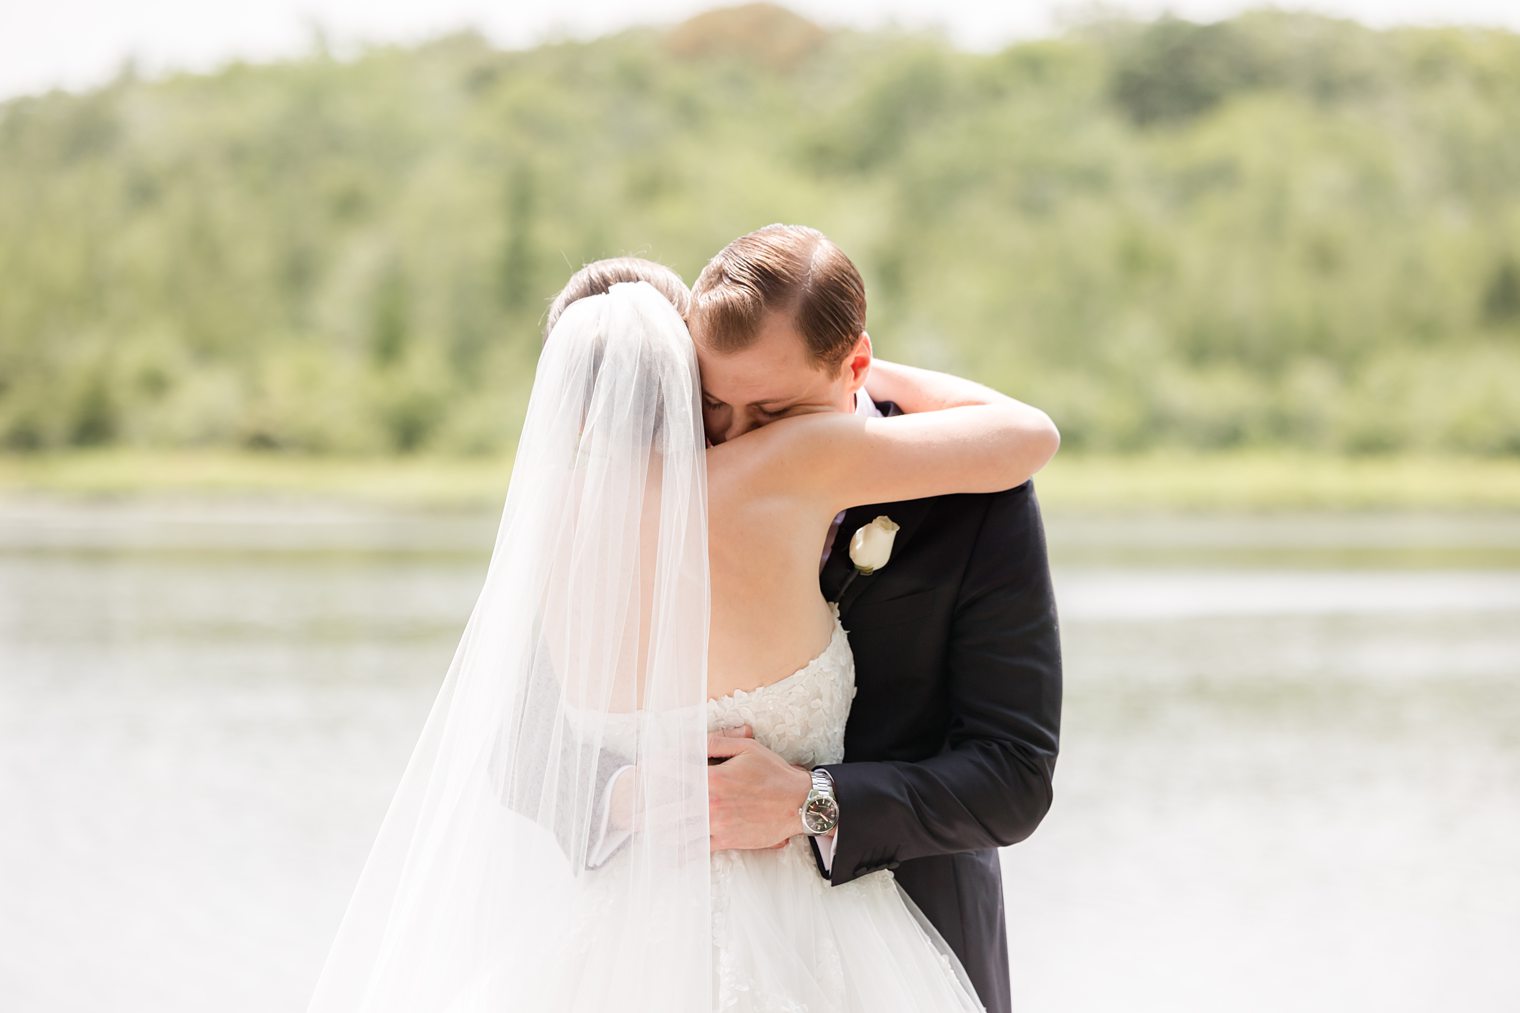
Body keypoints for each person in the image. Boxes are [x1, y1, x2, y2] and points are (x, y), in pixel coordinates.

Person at [307, 231, 1059, 1011]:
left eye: (773, 409)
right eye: (709, 401)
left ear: (854, 364)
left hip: (900, 940)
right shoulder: (622, 506)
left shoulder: (974, 497)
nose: (731, 436)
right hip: (648, 946)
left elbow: (1013, 773)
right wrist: (634, 794)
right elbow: (523, 738)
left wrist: (813, 800)